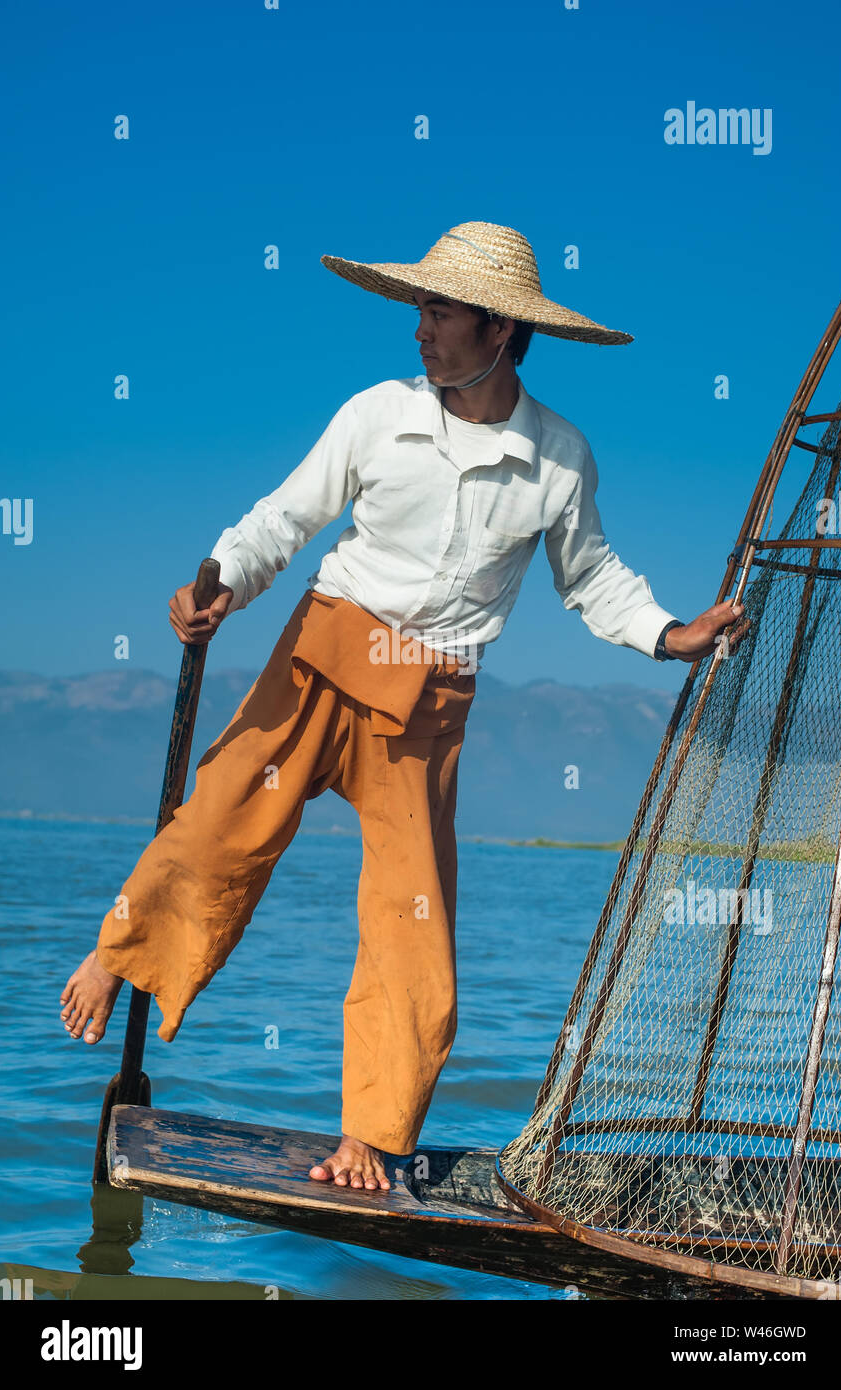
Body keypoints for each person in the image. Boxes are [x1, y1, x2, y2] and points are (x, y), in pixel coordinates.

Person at [59, 221, 746, 1192]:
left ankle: (372, 1135)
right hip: (321, 652)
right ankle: (117, 952)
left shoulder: (557, 459)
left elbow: (594, 583)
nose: (418, 329)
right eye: (418, 307)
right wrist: (220, 586)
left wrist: (673, 635)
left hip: (428, 704)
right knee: (219, 821)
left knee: (409, 922)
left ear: (500, 332)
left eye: (437, 311)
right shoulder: (377, 414)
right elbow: (281, 518)